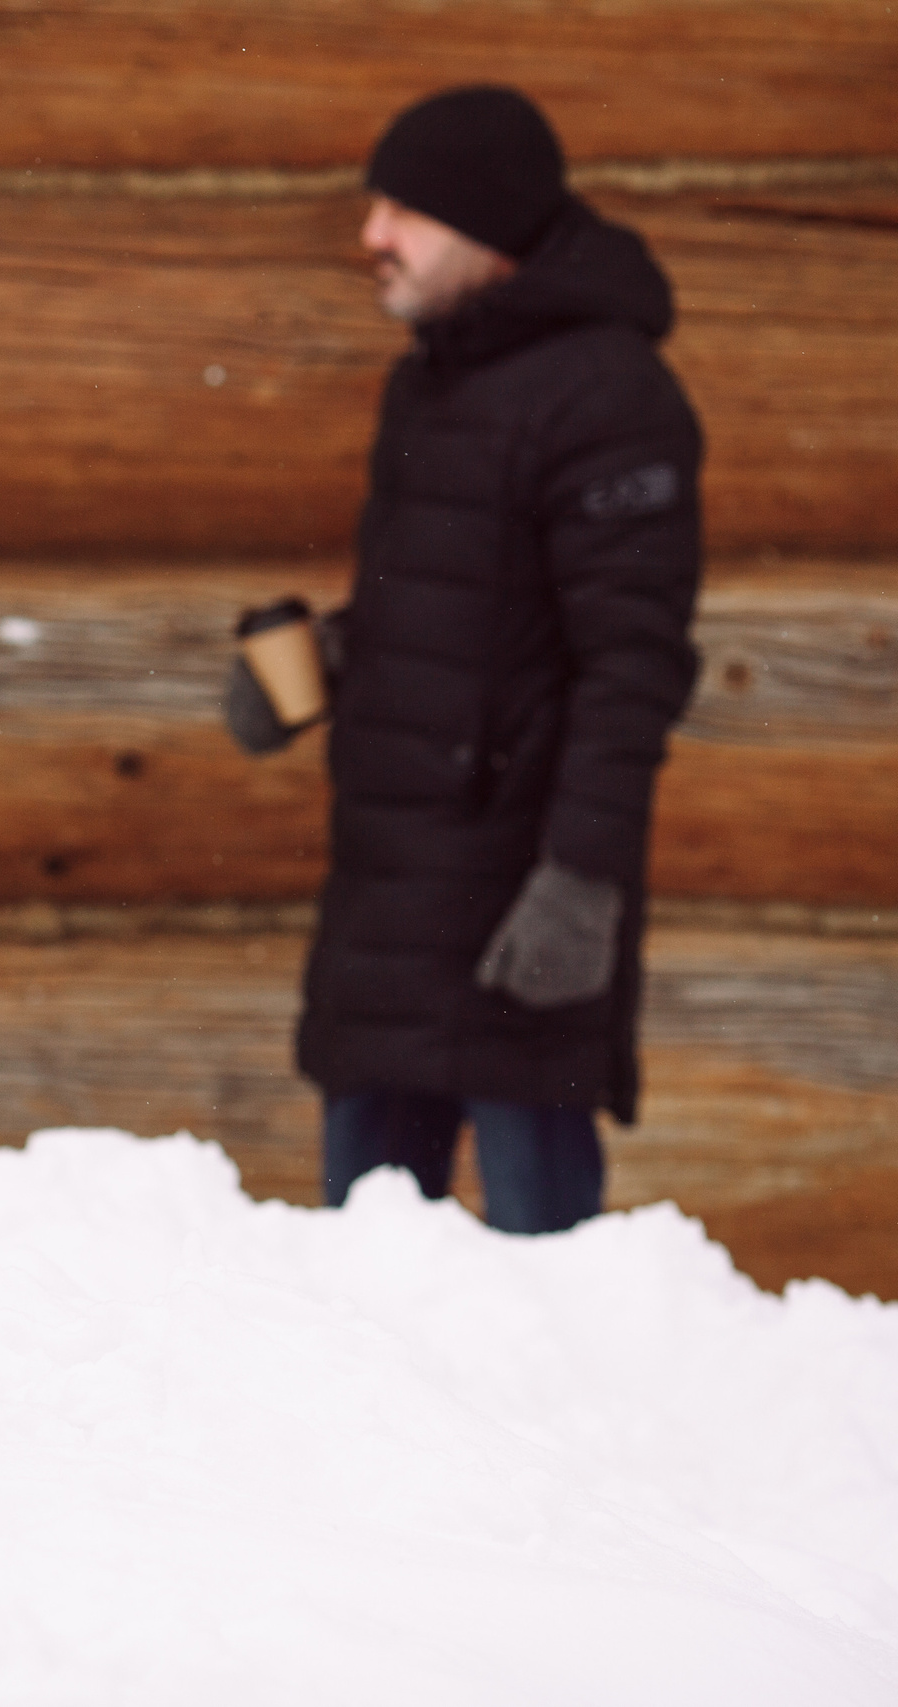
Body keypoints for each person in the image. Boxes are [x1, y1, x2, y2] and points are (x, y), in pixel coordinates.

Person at [225, 87, 704, 1233]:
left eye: (403, 210)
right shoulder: (436, 377)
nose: (370, 236)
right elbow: (458, 607)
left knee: (543, 1282)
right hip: (391, 907)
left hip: (517, 919)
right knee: (370, 1277)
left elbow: (628, 670)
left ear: (485, 225)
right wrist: (322, 662)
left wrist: (579, 886)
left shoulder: (608, 396)